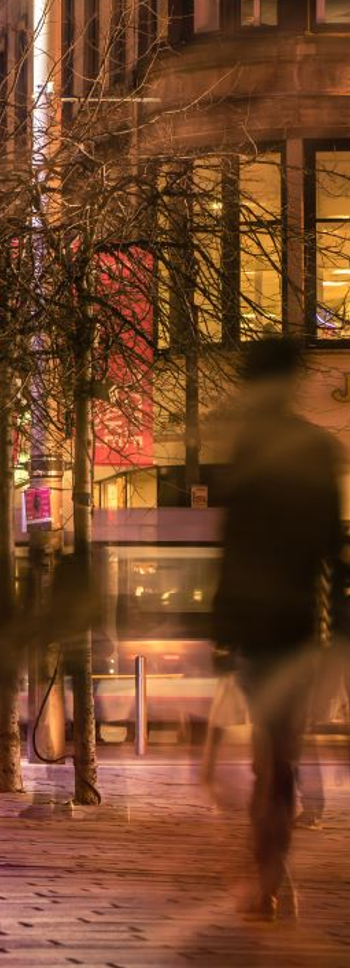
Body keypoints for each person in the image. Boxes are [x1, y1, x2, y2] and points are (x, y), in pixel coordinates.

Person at [211, 338, 342, 921]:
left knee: (272, 755)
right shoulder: (315, 447)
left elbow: (232, 545)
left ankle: (266, 868)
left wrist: (220, 631)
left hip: (258, 625)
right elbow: (329, 554)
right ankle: (269, 867)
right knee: (280, 756)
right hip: (294, 625)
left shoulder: (248, 449)